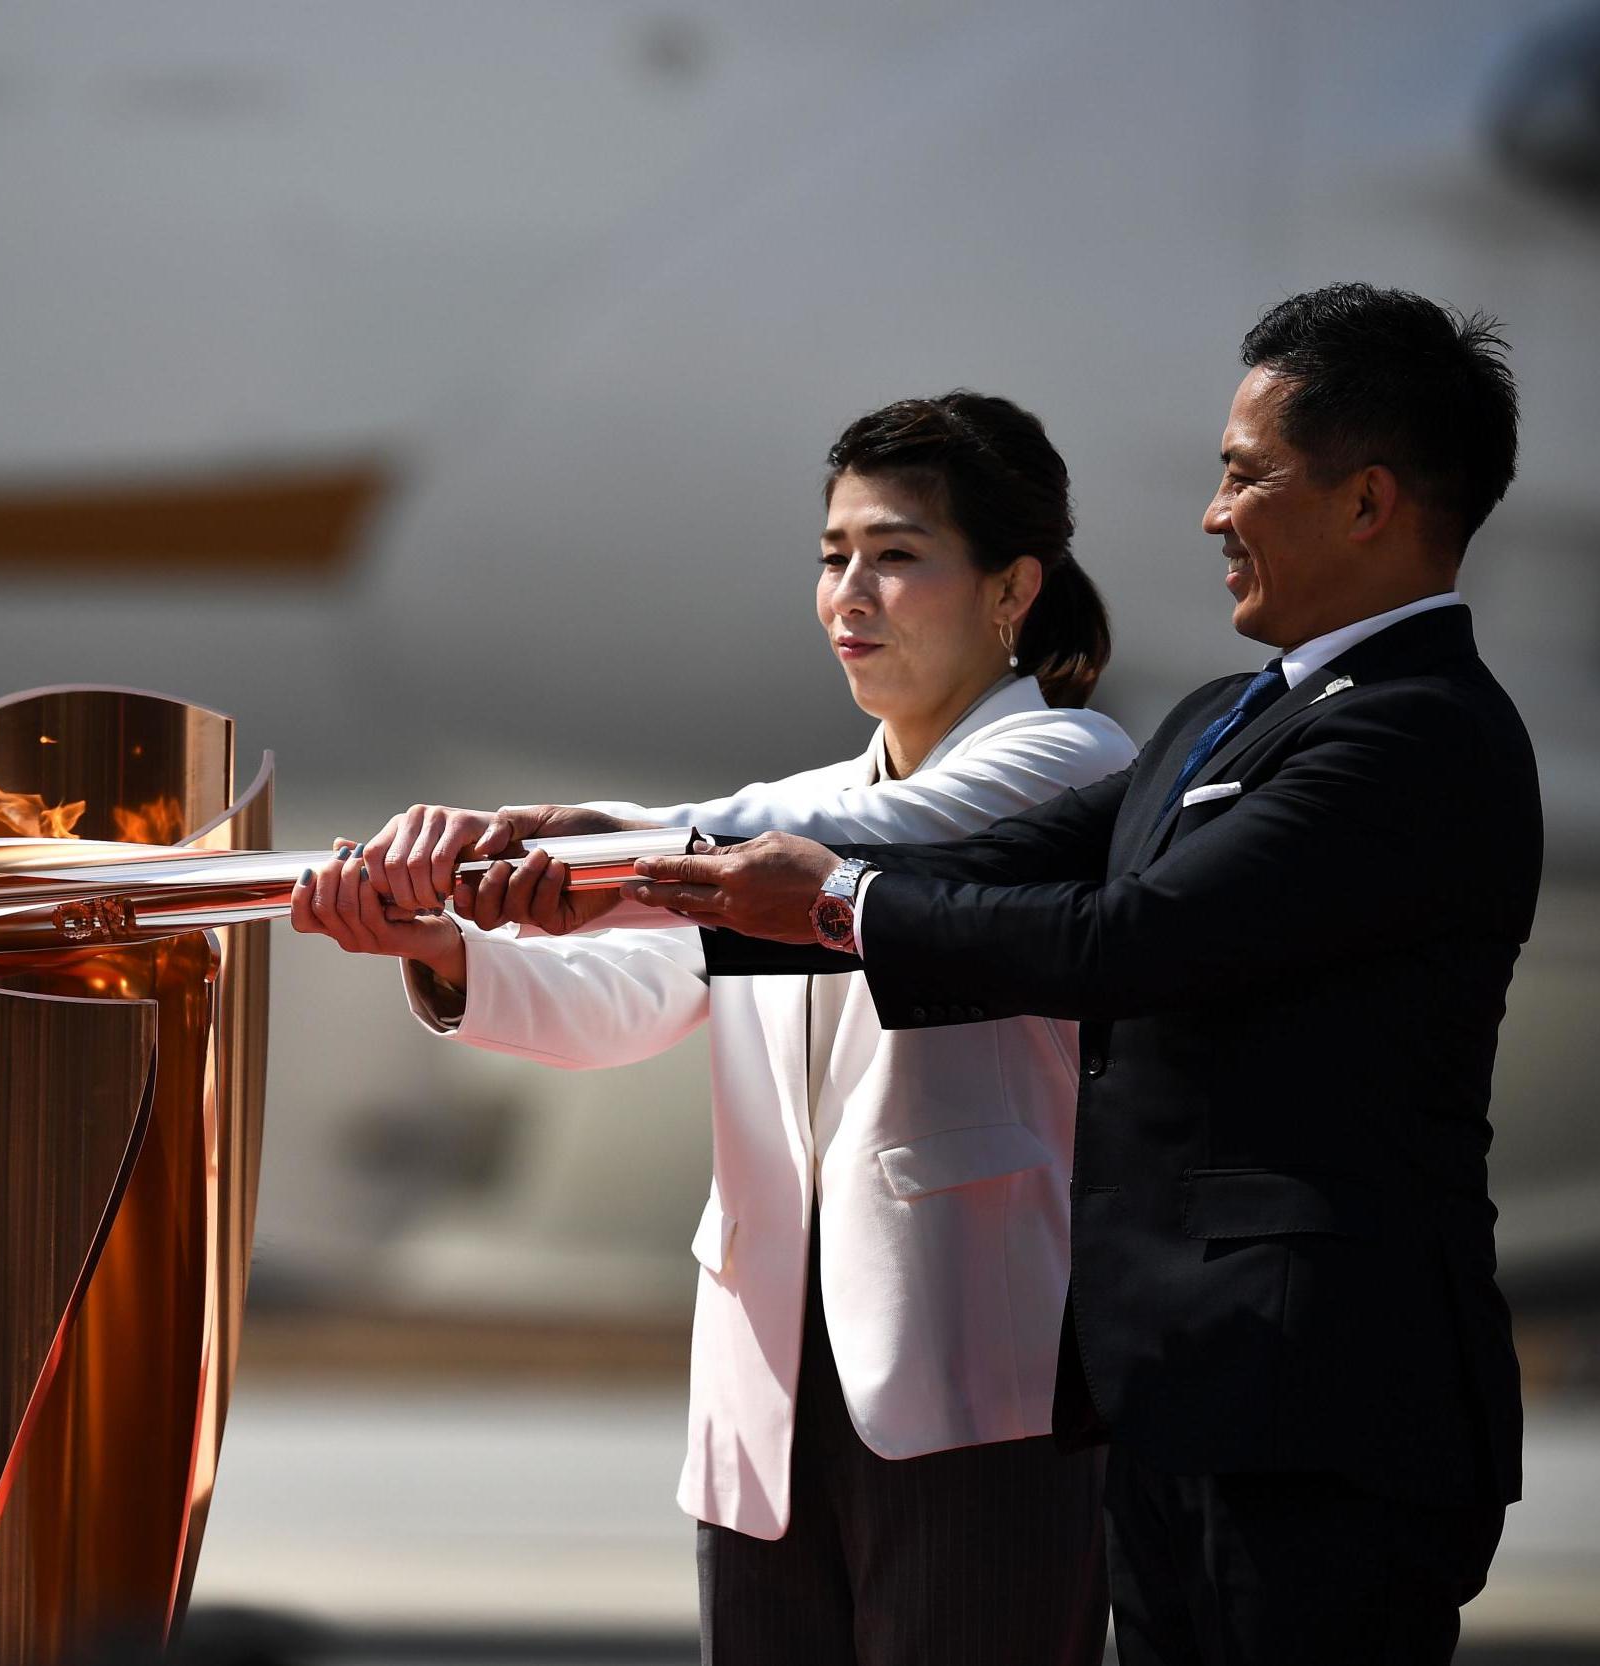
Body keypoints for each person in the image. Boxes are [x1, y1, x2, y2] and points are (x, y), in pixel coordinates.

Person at [593, 285, 1537, 1665]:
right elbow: (984, 862)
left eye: (1245, 475)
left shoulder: (1416, 731)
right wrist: (646, 880)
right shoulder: (1224, 717)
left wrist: (831, 900)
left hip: (1325, 1402)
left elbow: (1133, 940)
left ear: (1366, 500)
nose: (1212, 514)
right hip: (1171, 1390)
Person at [292, 392, 1136, 1664]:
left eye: (896, 554)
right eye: (833, 556)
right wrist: (443, 949)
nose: (850, 594)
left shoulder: (1067, 762)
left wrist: (592, 840)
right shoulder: (786, 807)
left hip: (978, 1380)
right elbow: (633, 994)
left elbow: (884, 839)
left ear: (1013, 588)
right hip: (767, 1388)